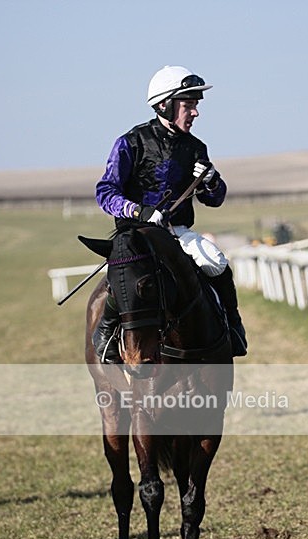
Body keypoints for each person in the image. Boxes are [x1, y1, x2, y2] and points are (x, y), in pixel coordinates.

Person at [92, 65, 247, 363]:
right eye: (189, 106)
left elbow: (215, 199)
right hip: (136, 235)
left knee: (217, 263)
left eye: (195, 106)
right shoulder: (130, 143)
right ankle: (106, 332)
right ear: (165, 105)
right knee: (126, 276)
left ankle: (232, 327)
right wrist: (138, 210)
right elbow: (106, 192)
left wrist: (212, 180)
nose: (195, 113)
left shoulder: (196, 147)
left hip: (177, 232)